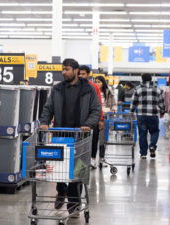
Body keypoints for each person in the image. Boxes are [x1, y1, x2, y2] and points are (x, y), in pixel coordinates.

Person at [39, 59, 101, 216]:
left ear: (75, 70)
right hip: (60, 135)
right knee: (59, 168)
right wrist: (45, 122)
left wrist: (88, 124)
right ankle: (61, 190)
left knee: (77, 170)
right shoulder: (57, 89)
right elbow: (48, 108)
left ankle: (74, 202)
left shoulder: (89, 89)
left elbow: (95, 110)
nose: (63, 72)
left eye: (66, 69)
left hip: (80, 136)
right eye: (62, 69)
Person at [131, 73, 165, 159]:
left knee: (142, 134)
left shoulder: (137, 89)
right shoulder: (157, 89)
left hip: (141, 115)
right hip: (153, 115)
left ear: (142, 79)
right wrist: (162, 111)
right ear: (151, 79)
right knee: (154, 131)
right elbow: (161, 102)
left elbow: (134, 102)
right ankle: (152, 146)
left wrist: (132, 111)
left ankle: (143, 154)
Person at [79, 66, 103, 168]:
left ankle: (92, 159)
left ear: (88, 75)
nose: (81, 76)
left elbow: (99, 105)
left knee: (94, 139)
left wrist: (100, 119)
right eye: (79, 74)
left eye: (83, 74)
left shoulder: (94, 87)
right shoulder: (74, 86)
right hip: (79, 119)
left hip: (93, 118)